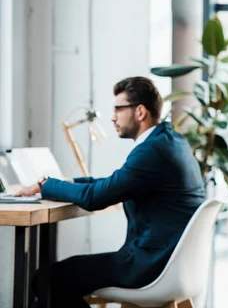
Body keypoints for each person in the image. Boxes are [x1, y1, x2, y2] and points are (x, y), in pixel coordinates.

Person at [16, 76, 206, 308]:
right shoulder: (171, 141)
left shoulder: (151, 151)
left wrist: (47, 185)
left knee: (46, 280)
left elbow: (94, 198)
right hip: (174, 266)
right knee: (51, 284)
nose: (113, 117)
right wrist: (66, 182)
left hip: (150, 266)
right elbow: (115, 183)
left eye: (118, 109)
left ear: (140, 112)